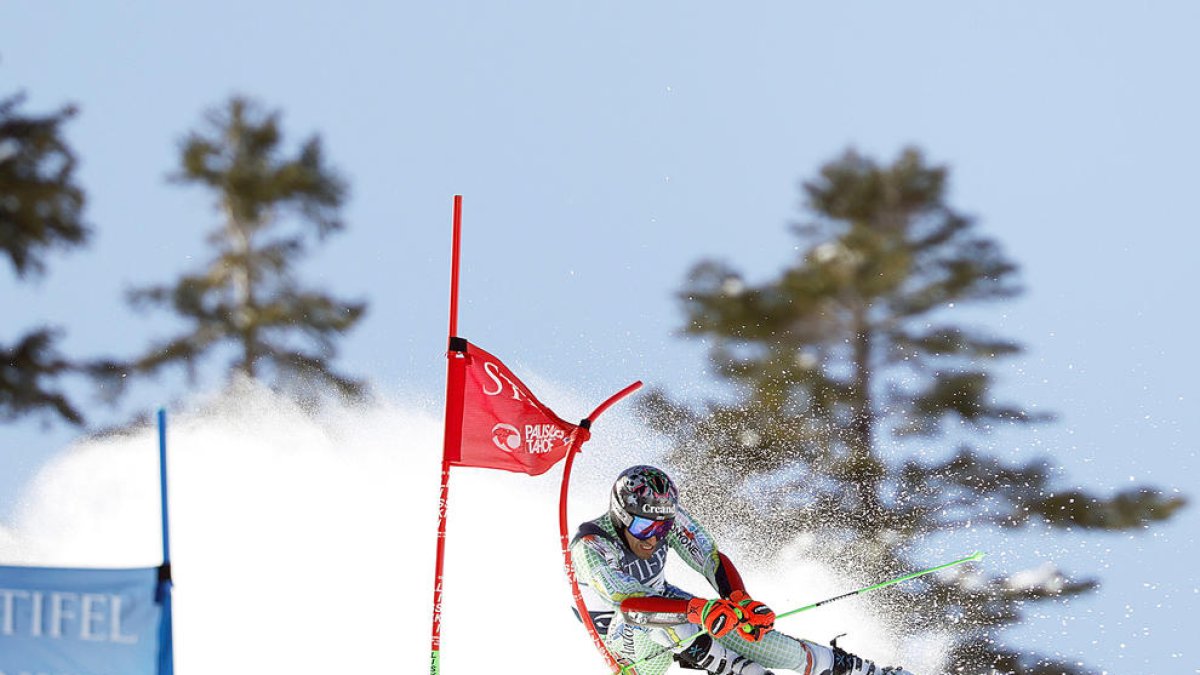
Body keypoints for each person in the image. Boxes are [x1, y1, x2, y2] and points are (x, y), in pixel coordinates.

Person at [570, 465, 913, 675]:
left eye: (663, 529)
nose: (654, 539)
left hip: (672, 611)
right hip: (626, 643)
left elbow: (709, 557)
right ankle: (733, 668)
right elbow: (630, 606)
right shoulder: (592, 546)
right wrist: (698, 611)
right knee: (673, 619)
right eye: (646, 529)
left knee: (756, 636)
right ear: (621, 515)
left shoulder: (661, 516)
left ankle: (862, 671)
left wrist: (739, 600)